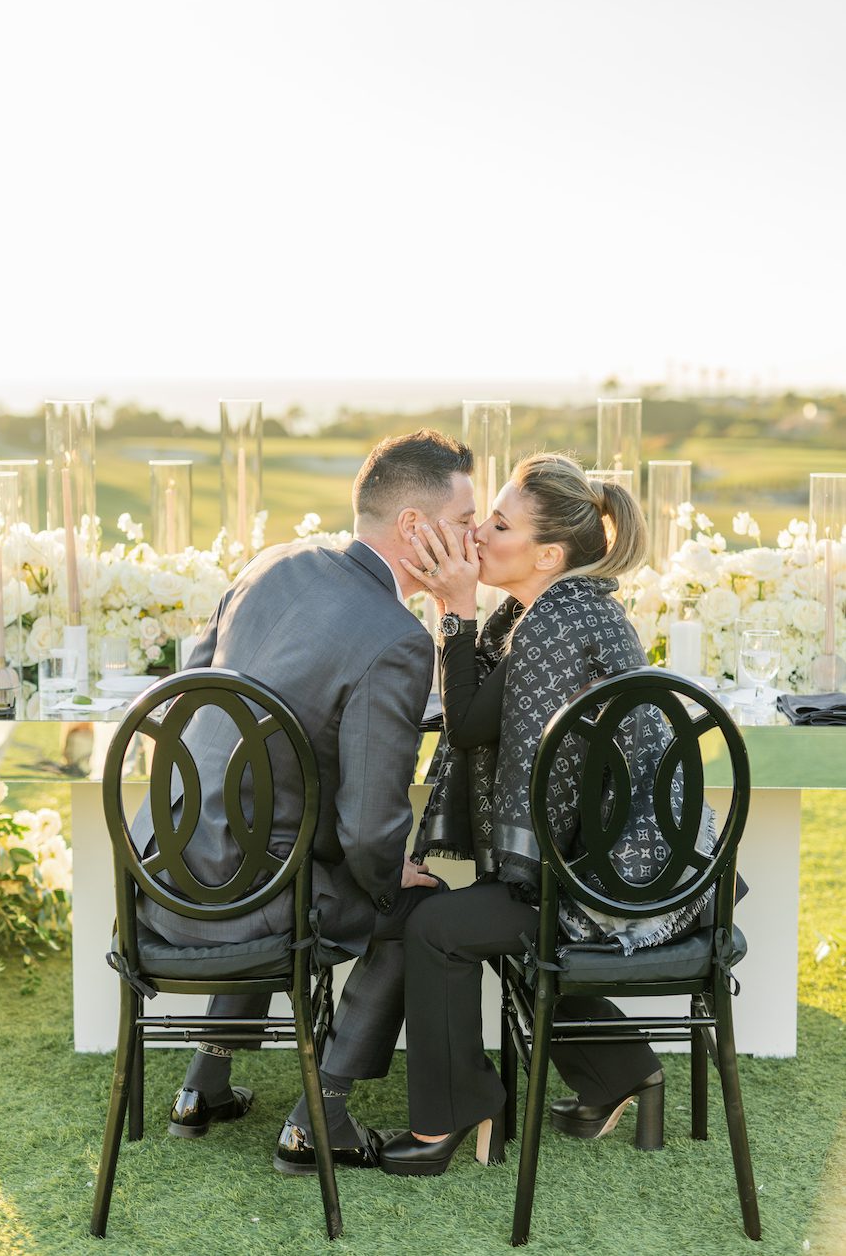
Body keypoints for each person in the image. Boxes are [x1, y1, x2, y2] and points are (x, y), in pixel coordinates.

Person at [129, 429, 476, 1172]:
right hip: (258, 908)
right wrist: (392, 878)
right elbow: (369, 826)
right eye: (465, 519)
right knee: (415, 905)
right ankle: (323, 1117)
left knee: (263, 849)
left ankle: (204, 1087)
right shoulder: (396, 639)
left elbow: (191, 701)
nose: (474, 535)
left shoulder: (269, 564)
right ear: (415, 528)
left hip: (160, 885)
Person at [380, 453, 717, 1176]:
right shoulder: (558, 611)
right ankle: (622, 1071)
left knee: (440, 926)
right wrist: (465, 617)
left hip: (617, 882)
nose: (477, 538)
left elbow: (467, 725)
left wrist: (454, 612)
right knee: (480, 920)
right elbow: (481, 720)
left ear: (549, 554)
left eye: (497, 525)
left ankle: (450, 1119)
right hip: (624, 860)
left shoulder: (557, 629)